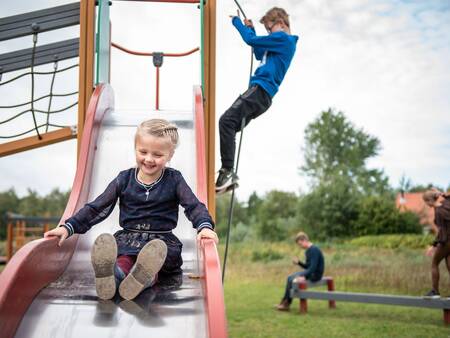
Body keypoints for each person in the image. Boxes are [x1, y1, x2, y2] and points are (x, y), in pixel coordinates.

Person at [44, 119, 218, 301]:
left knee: (155, 257)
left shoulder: (174, 179)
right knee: (125, 256)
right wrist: (68, 227)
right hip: (129, 239)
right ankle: (115, 276)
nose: (149, 159)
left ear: (170, 154)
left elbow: (193, 205)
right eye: (143, 152)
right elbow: (97, 207)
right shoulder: (124, 179)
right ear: (135, 148)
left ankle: (144, 278)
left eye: (157, 154)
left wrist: (204, 226)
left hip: (161, 243)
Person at [215, 7, 298, 193]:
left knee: (226, 121)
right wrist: (251, 29)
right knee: (230, 127)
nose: (269, 33)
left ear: (282, 24)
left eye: (270, 29)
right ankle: (228, 173)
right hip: (263, 96)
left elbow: (250, 41)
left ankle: (227, 171)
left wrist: (236, 22)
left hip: (260, 90)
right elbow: (259, 51)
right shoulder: (280, 42)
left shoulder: (284, 39)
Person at [276, 231, 324, 311]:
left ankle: (287, 303)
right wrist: (299, 262)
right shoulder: (308, 250)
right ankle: (285, 301)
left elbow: (313, 268)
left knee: (293, 279)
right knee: (289, 278)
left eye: (300, 244)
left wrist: (304, 277)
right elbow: (308, 267)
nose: (300, 246)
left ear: (305, 240)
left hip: (315, 275)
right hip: (311, 272)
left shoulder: (314, 250)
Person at [422, 188, 450, 298]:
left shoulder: (439, 212)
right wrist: (443, 194)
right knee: (449, 265)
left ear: (429, 201)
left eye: (426, 202)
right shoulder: (446, 204)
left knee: (434, 263)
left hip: (447, 242)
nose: (426, 204)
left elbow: (441, 233)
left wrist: (433, 246)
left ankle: (435, 292)